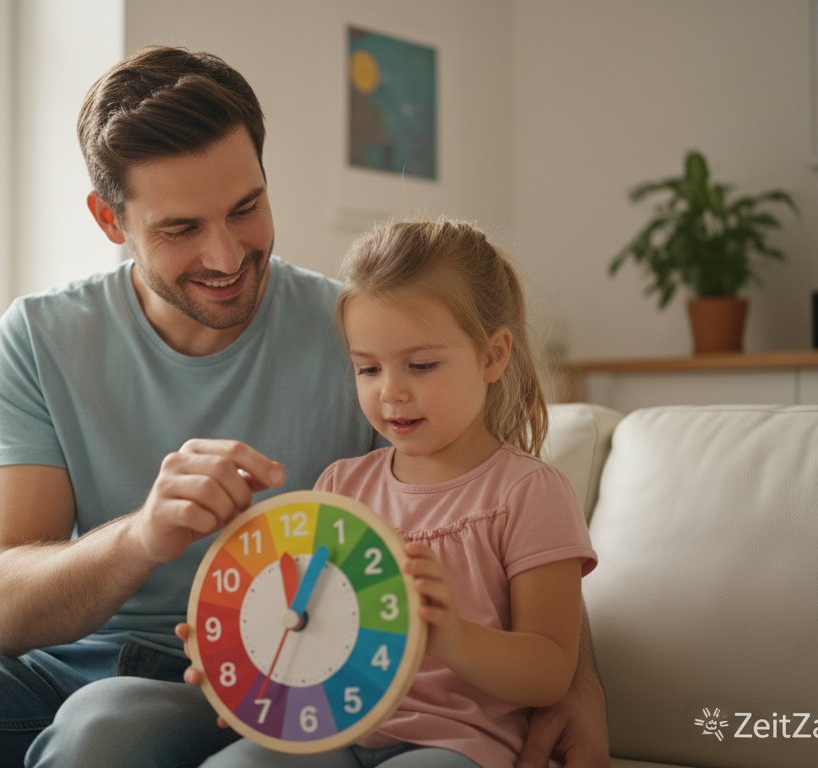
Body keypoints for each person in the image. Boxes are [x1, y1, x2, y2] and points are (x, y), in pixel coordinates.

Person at [0, 47, 608, 768]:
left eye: (248, 207)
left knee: (107, 728)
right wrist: (144, 532)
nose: (227, 255)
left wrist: (574, 688)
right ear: (111, 221)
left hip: (227, 687)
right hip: (50, 667)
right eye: (180, 229)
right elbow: (8, 609)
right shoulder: (42, 335)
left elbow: (485, 498)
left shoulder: (359, 339)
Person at [188, 218, 598, 768]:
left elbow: (550, 670)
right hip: (332, 730)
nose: (392, 391)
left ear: (493, 356)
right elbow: (305, 621)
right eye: (368, 368)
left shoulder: (529, 492)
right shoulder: (341, 486)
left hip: (456, 745)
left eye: (421, 365)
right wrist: (242, 663)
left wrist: (454, 637)